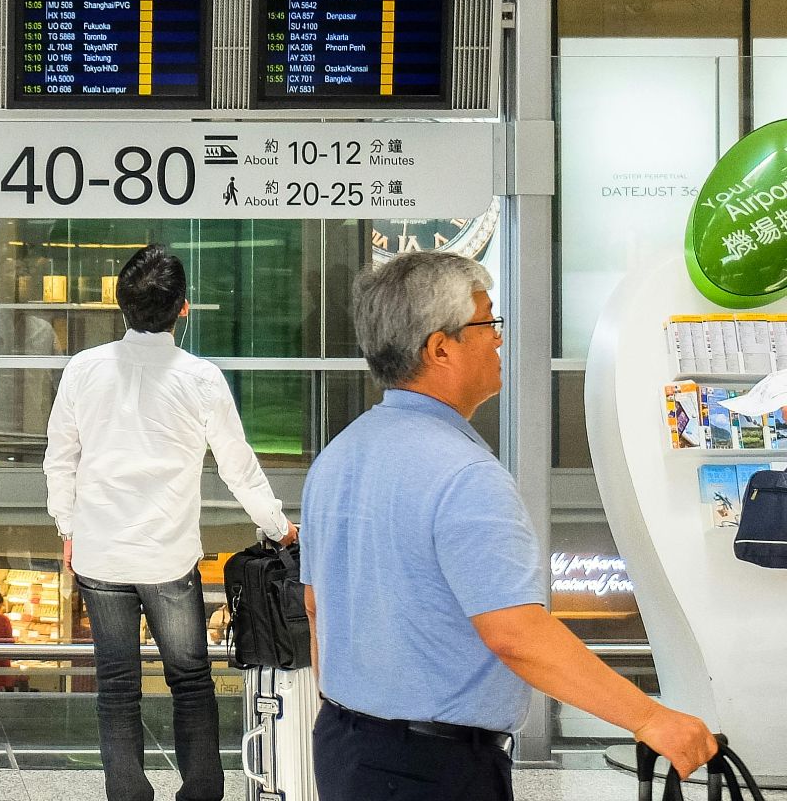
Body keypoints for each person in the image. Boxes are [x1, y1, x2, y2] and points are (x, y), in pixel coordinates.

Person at [303, 253, 718, 800]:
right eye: (487, 323)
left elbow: (315, 605)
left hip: (343, 745)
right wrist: (649, 718)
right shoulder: (465, 474)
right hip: (435, 767)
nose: (498, 339)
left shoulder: (339, 454)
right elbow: (517, 633)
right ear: (440, 347)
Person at [44, 243, 295, 801]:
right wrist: (277, 527)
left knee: (115, 689)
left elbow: (59, 458)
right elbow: (239, 467)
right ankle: (202, 792)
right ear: (184, 307)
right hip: (167, 557)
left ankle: (128, 795)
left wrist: (67, 526)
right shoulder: (200, 379)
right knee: (189, 681)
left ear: (120, 306)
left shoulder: (83, 370)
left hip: (100, 554)